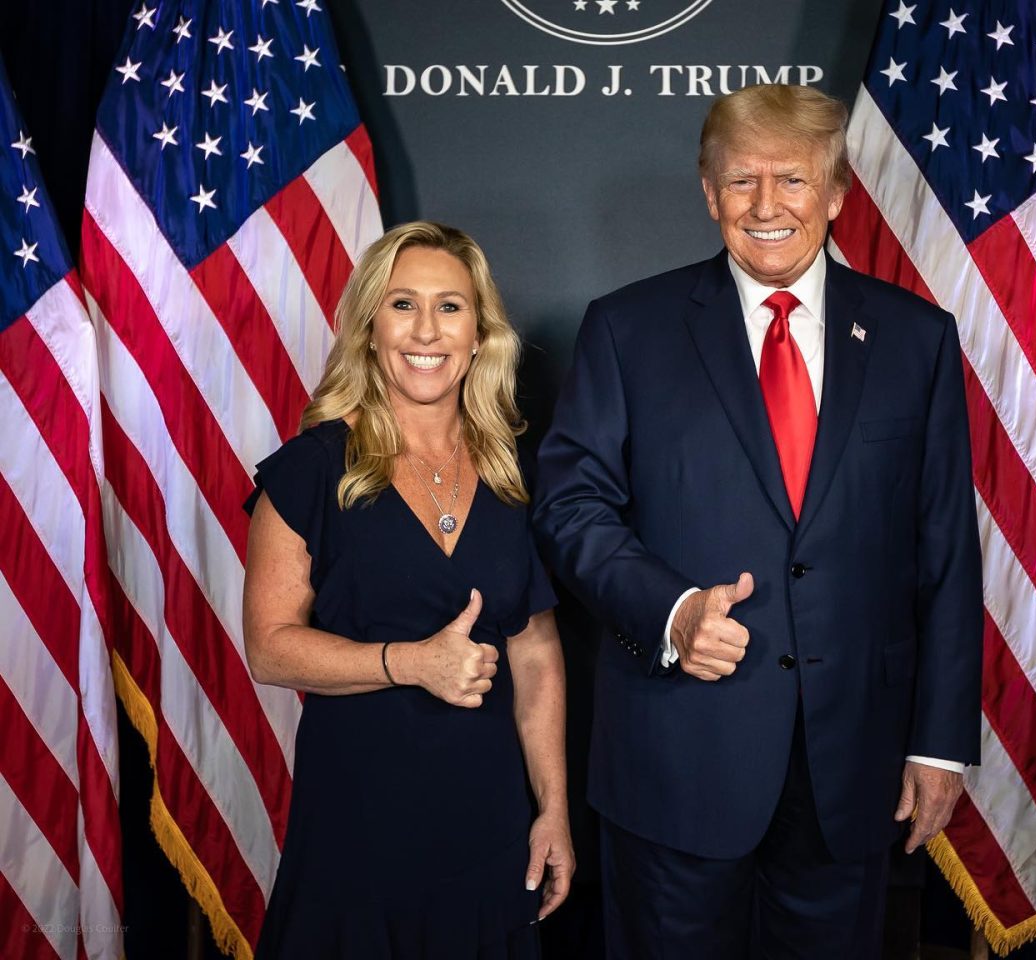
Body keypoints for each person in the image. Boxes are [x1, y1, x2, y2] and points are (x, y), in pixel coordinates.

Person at [533, 84, 982, 959]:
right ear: (709, 195)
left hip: (850, 769)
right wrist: (670, 612)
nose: (767, 206)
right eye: (741, 182)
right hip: (676, 761)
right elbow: (568, 504)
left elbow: (945, 552)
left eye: (792, 180)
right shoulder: (628, 330)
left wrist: (940, 745)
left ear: (837, 193)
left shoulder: (916, 340)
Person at [243, 221, 574, 958]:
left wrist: (552, 808)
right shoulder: (312, 469)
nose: (427, 330)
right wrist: (411, 662)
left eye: (450, 307)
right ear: (369, 326)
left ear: (481, 333)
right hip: (359, 825)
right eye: (403, 305)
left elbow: (537, 655)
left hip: (488, 827)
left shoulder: (511, 473)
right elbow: (269, 648)